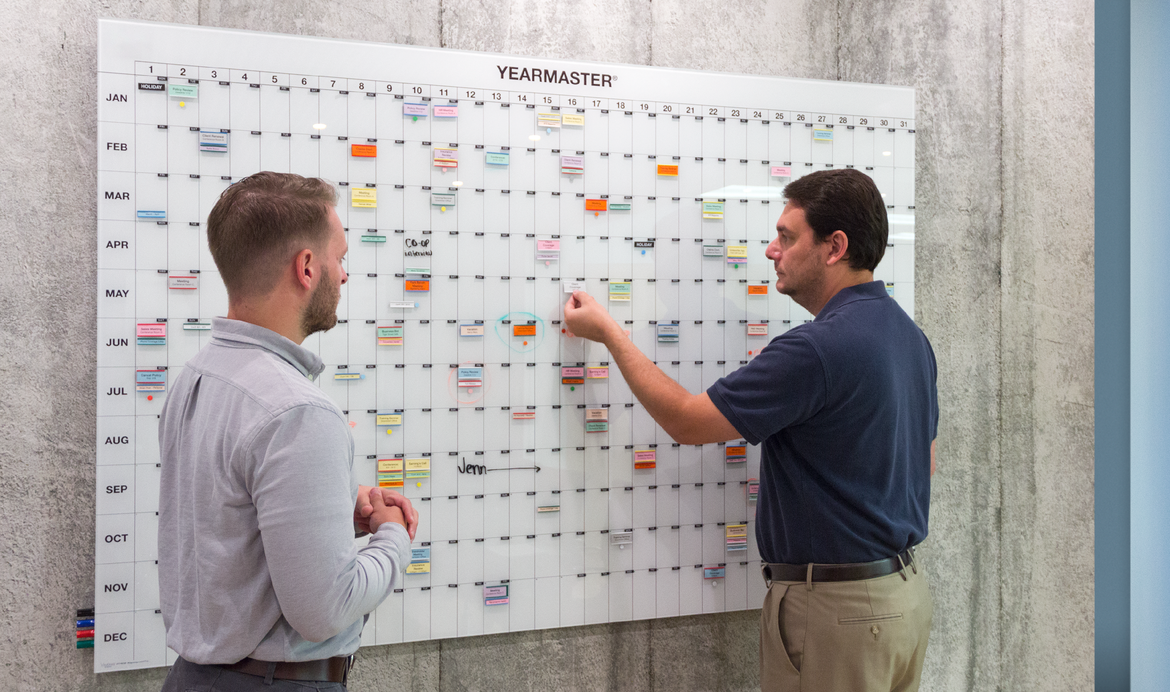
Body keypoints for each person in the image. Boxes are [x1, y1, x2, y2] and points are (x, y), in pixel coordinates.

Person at [564, 168, 937, 691]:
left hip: (839, 613)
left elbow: (687, 420)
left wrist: (608, 333)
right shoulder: (910, 337)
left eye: (787, 236)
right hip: (903, 598)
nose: (771, 250)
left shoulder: (815, 349)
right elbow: (925, 462)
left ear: (835, 247)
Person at [158, 172, 419, 691]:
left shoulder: (197, 375)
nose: (344, 276)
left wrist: (331, 509)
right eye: (339, 259)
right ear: (306, 267)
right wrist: (393, 535)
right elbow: (326, 609)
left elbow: (232, 528)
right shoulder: (298, 411)